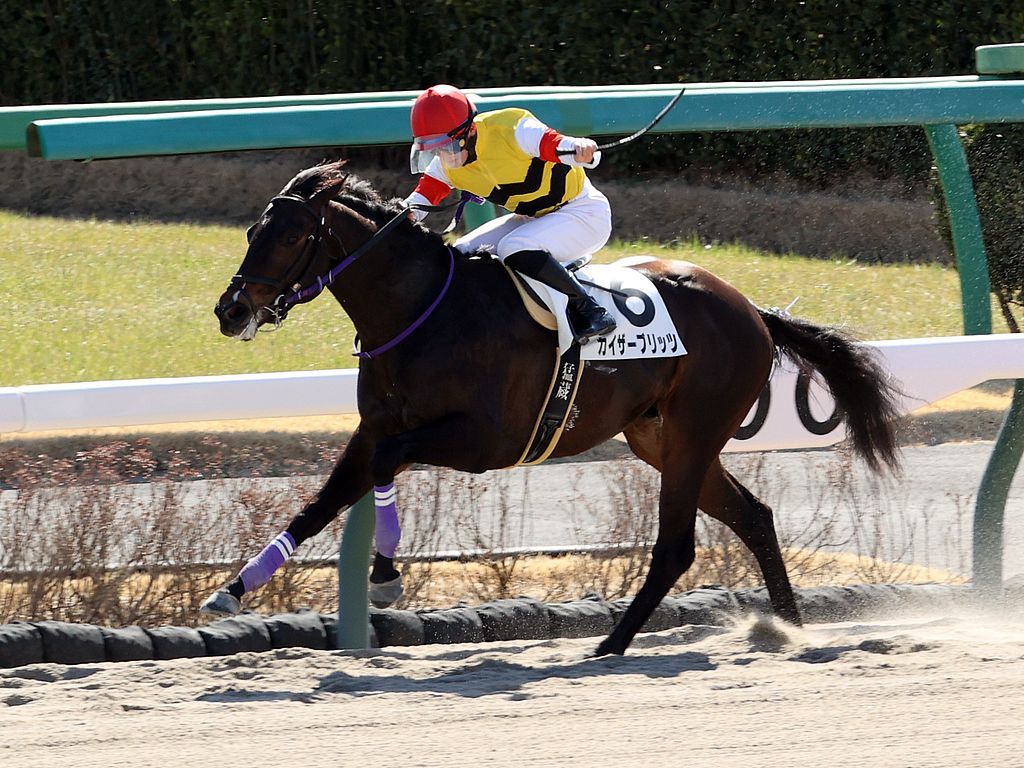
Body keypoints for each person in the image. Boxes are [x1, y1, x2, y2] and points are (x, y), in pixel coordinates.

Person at [404, 84, 616, 344]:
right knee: (458, 255)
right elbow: (418, 203)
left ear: (470, 130)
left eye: (447, 146)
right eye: (434, 148)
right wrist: (398, 216)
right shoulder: (445, 164)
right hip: (533, 219)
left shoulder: (513, 128)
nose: (442, 155)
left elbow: (553, 142)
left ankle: (590, 310)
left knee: (513, 246)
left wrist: (579, 147)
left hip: (584, 213)